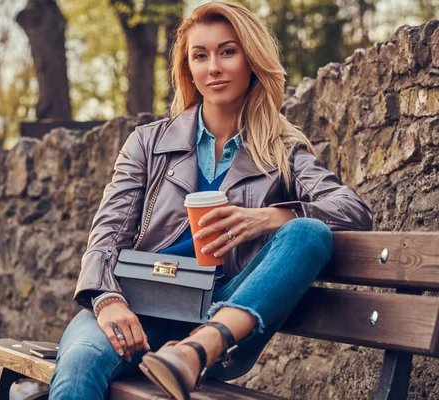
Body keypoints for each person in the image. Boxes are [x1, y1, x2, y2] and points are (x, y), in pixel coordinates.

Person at [49, 1, 373, 399]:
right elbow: (109, 232)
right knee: (79, 363)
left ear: (251, 59)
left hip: (224, 315)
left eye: (227, 51)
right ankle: (182, 351)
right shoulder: (148, 143)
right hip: (138, 302)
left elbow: (353, 211)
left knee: (308, 232)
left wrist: (270, 218)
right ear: (189, 70)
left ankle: (196, 350)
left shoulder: (283, 152)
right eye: (200, 56)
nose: (214, 67)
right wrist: (107, 299)